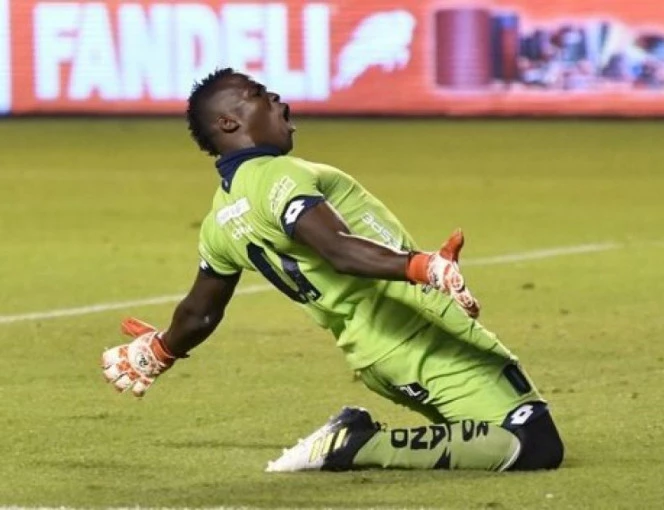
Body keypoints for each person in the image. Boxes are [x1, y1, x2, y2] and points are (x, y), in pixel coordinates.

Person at [101, 68, 564, 472]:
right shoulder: (276, 175)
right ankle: (354, 444)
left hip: (376, 351)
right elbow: (337, 247)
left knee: (485, 436)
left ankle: (358, 441)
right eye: (258, 93)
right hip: (418, 336)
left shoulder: (219, 220)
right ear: (228, 122)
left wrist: (161, 349)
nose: (275, 97)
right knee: (532, 442)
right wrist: (424, 267)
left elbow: (201, 312)